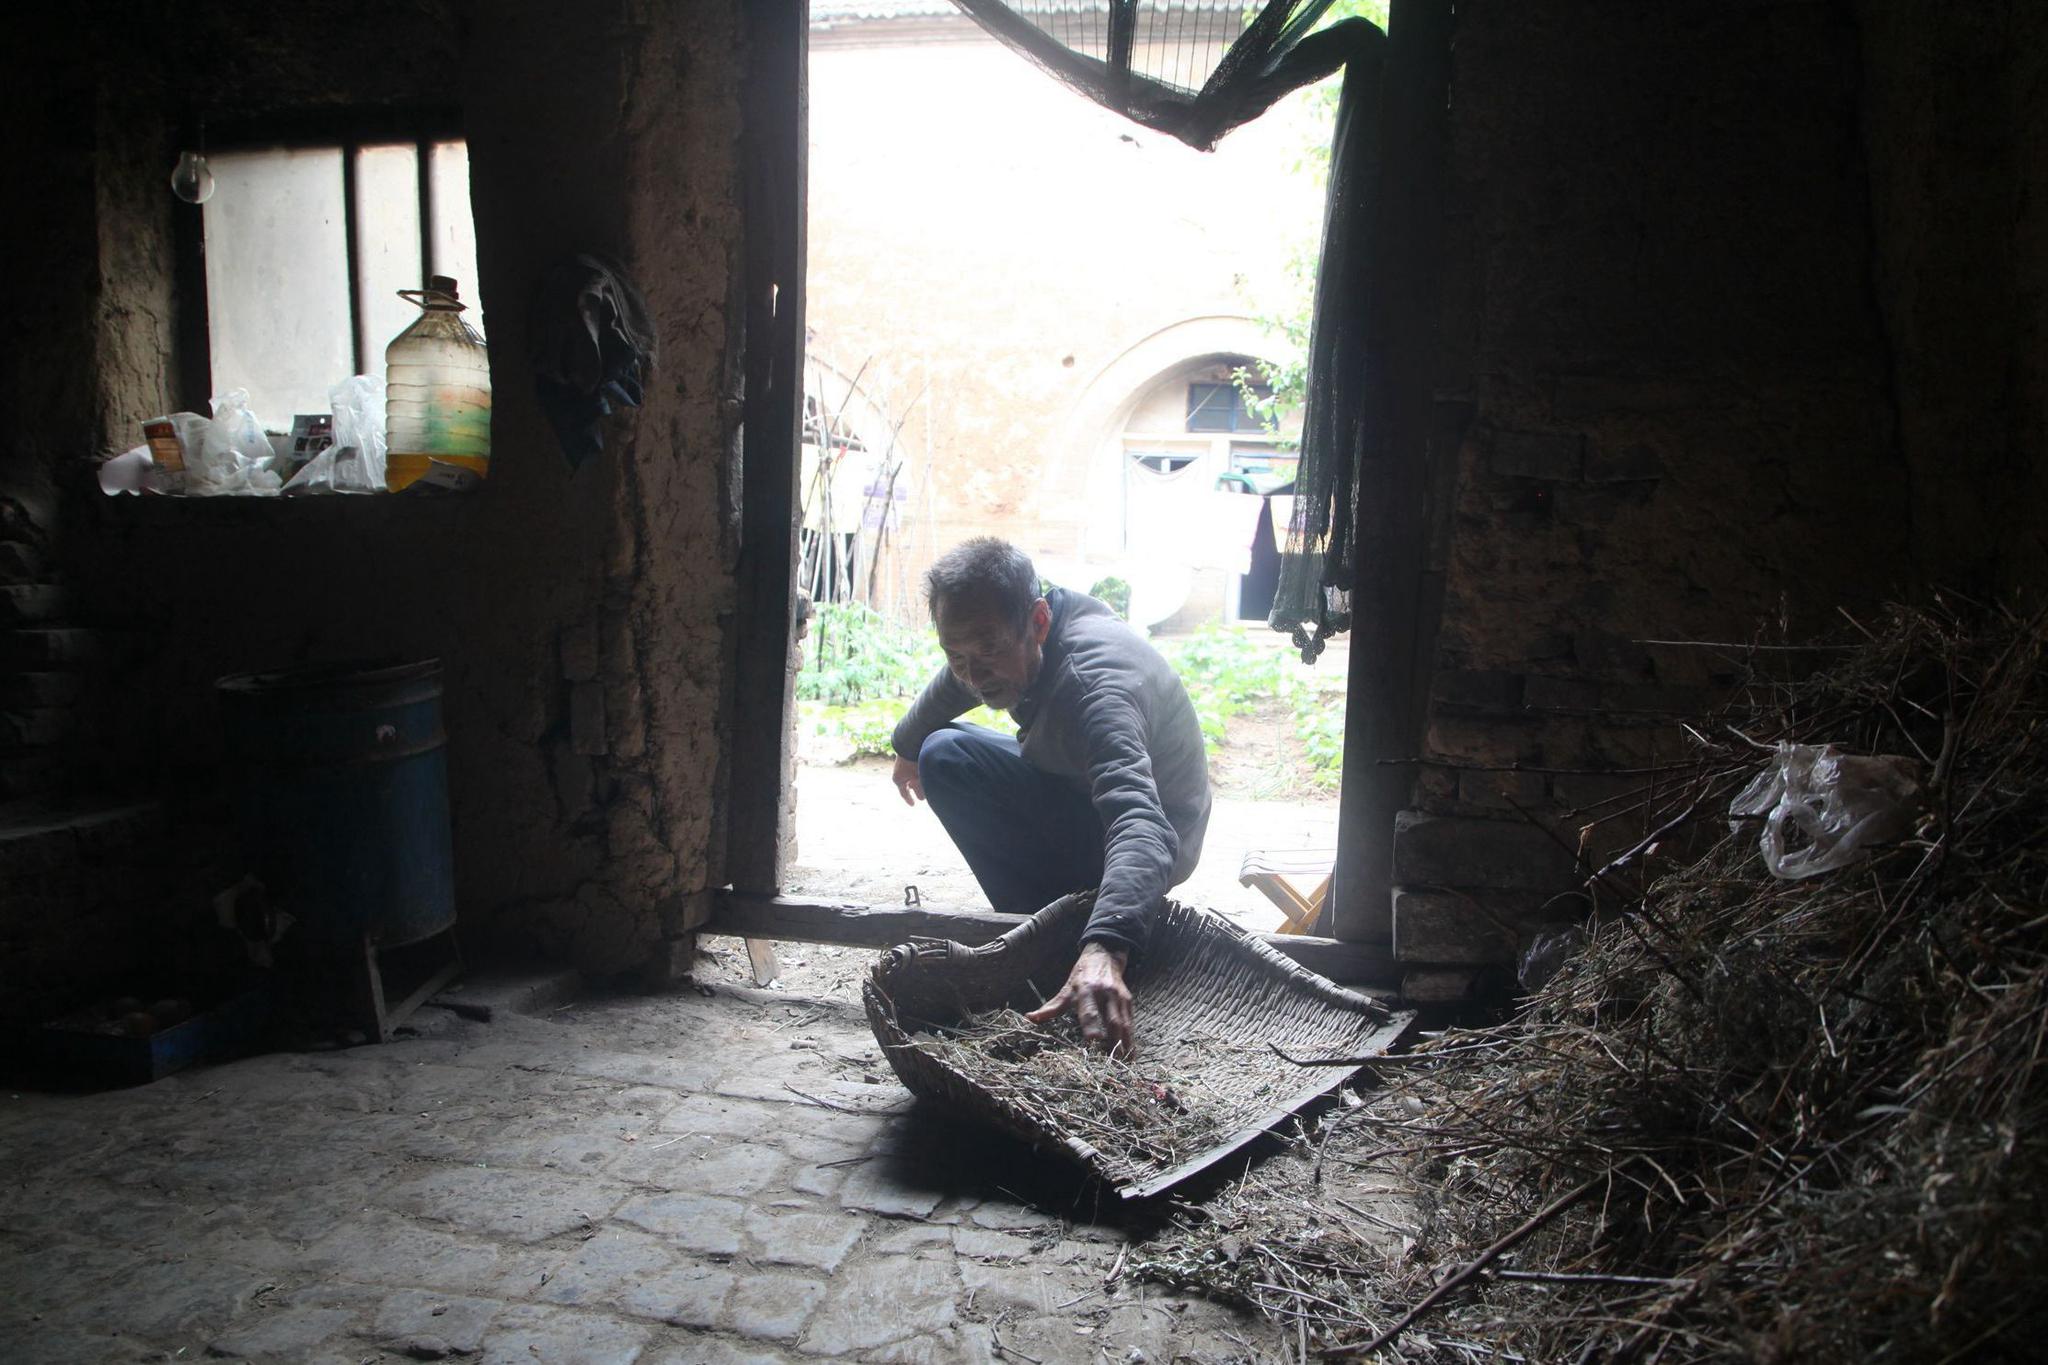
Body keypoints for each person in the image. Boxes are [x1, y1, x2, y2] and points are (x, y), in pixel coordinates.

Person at [890, 537, 1211, 1056]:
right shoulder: (1032, 622)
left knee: (949, 757)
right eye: (956, 655)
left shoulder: (1095, 690)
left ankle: (1052, 950)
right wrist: (906, 743)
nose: (973, 673)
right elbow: (965, 678)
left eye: (988, 650)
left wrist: (1109, 943)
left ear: (1037, 622)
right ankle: (1055, 927)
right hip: (1078, 789)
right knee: (944, 751)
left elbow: (1143, 825)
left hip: (1149, 838)